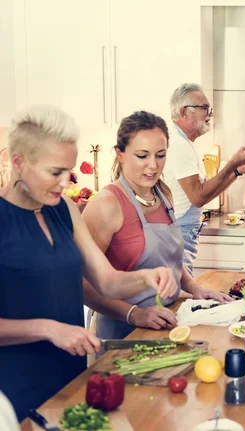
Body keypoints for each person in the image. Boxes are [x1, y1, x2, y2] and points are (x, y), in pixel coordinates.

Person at [0, 105, 176, 421]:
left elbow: (106, 280)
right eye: (55, 172)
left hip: (69, 374)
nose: (65, 182)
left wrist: (148, 277)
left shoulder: (63, 208)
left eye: (68, 172)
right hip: (13, 387)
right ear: (18, 162)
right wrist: (48, 329)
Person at [82, 111, 233, 340]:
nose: (153, 166)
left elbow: (167, 257)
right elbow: (82, 284)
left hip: (166, 322)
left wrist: (193, 287)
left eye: (160, 155)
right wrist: (135, 314)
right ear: (120, 154)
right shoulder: (107, 204)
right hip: (124, 335)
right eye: (142, 156)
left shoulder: (163, 193)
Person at [162, 83, 245, 274]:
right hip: (178, 232)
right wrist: (232, 164)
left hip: (183, 231)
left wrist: (237, 171)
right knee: (177, 294)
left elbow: (205, 192)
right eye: (204, 108)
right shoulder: (179, 145)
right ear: (184, 112)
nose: (209, 113)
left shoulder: (185, 143)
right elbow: (198, 197)